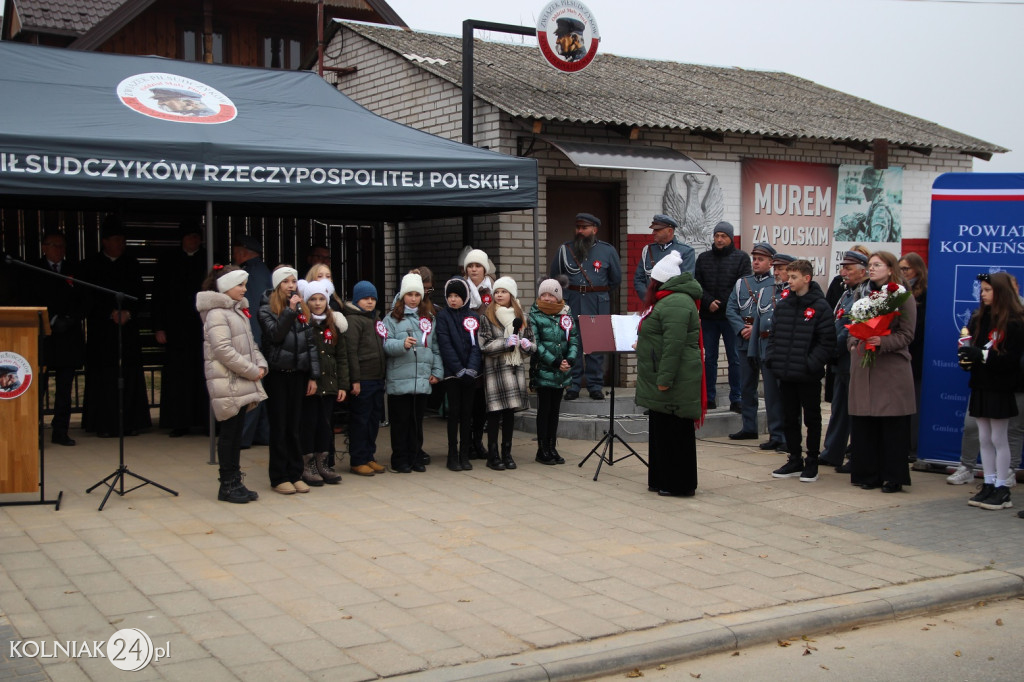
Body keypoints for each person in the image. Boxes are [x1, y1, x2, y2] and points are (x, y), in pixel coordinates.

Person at [196, 265, 267, 504]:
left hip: (240, 379)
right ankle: (227, 484)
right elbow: (223, 350)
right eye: (240, 285)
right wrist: (251, 370)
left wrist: (261, 364)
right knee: (228, 435)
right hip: (227, 381)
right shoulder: (217, 313)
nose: (245, 290)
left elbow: (250, 344)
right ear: (226, 286)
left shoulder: (236, 311)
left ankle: (236, 480)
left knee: (236, 434)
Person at [634, 250, 703, 497]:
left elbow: (673, 347)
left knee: (675, 432)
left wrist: (664, 380)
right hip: (665, 375)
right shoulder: (669, 300)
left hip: (673, 378)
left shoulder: (675, 302)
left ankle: (678, 483)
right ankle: (661, 478)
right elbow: (662, 338)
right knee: (662, 431)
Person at [847, 251, 916, 493]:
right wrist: (854, 342)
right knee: (866, 424)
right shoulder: (862, 294)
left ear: (890, 268)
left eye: (877, 264)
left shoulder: (901, 295)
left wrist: (881, 341)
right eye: (870, 265)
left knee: (891, 425)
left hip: (890, 369)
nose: (872, 268)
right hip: (864, 367)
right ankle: (869, 473)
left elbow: (907, 335)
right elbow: (852, 326)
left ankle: (893, 476)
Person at [78, 215, 151, 437]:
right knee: (103, 376)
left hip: (127, 329)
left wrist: (129, 312)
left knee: (128, 373)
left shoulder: (131, 263)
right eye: (117, 239)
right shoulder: (90, 265)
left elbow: (140, 295)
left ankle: (130, 422)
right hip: (102, 331)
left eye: (123, 240)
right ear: (105, 242)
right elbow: (85, 298)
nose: (121, 244)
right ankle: (102, 424)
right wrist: (108, 313)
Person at [765, 260, 836, 482]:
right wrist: (773, 359)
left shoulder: (820, 306)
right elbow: (774, 335)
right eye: (789, 276)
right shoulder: (785, 304)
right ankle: (794, 458)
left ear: (807, 278)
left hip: (807, 375)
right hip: (786, 372)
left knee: (812, 418)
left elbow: (827, 342)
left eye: (794, 277)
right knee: (789, 417)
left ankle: (812, 460)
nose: (789, 280)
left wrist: (810, 364)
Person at [957, 272, 1024, 511]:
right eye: (982, 290)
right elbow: (972, 346)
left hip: (1001, 386)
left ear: (1001, 292)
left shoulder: (1015, 321)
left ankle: (1002, 489)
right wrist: (967, 357)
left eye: (987, 290)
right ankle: (988, 482)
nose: (982, 294)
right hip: (981, 383)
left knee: (999, 437)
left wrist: (981, 355)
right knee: (983, 437)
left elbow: (1010, 359)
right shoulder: (979, 318)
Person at [259, 265, 320, 495]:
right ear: (277, 285)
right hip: (278, 376)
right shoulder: (266, 309)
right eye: (286, 282)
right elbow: (275, 335)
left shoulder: (301, 310)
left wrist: (313, 375)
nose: (291, 286)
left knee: (295, 426)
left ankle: (295, 474)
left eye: (294, 281)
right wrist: (289, 312)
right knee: (280, 427)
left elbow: (310, 344)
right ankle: (279, 476)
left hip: (299, 375)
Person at [549, 212, 621, 400]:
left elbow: (615, 280)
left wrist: (597, 293)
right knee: (573, 346)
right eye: (578, 227)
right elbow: (554, 277)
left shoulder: (608, 250)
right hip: (572, 302)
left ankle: (595, 386)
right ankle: (572, 385)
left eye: (584, 228)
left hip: (597, 303)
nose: (580, 231)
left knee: (595, 347)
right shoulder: (565, 250)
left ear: (594, 230)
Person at [26, 231, 85, 446]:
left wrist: (69, 319)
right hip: (43, 337)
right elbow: (29, 299)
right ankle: (34, 431)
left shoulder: (73, 270)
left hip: (68, 336)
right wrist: (51, 320)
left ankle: (61, 430)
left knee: (64, 388)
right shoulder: (33, 269)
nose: (59, 250)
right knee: (39, 387)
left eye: (62, 246)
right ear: (44, 247)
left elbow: (83, 299)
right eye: (54, 245)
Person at [152, 220, 208, 437]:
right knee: (179, 376)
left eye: (197, 236)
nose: (194, 240)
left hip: (202, 328)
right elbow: (158, 295)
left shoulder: (208, 258)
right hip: (176, 329)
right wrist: (159, 327)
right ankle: (179, 422)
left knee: (204, 374)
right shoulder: (168, 260)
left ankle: (205, 421)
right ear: (182, 239)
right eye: (190, 236)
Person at [819, 250, 872, 473]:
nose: (844, 272)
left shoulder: (865, 294)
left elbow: (852, 327)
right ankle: (833, 452)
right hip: (839, 360)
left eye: (849, 268)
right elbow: (837, 321)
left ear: (863, 270)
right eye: (843, 267)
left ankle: (856, 455)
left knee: (855, 411)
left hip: (851, 358)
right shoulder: (847, 293)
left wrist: (831, 348)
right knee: (839, 408)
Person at [383, 273, 442, 473]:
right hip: (400, 379)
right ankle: (399, 459)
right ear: (402, 295)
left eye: (417, 294)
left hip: (421, 379)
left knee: (417, 422)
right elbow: (385, 344)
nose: (414, 298)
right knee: (400, 422)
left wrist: (437, 371)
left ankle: (415, 456)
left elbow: (435, 347)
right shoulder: (391, 318)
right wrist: (402, 344)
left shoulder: (429, 318)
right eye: (410, 294)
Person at [478, 276, 536, 470]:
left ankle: (507, 453)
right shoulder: (487, 316)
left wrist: (527, 346)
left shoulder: (522, 317)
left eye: (503, 291)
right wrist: (505, 343)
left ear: (512, 294)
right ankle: (492, 455)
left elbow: (530, 343)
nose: (499, 295)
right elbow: (484, 344)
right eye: (496, 292)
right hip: (496, 371)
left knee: (510, 414)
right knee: (495, 413)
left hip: (514, 370)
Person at [694, 221, 752, 411]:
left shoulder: (742, 258)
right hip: (709, 316)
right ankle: (709, 397)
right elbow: (697, 284)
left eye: (723, 236)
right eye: (717, 235)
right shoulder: (703, 258)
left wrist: (724, 305)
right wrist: (708, 301)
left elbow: (742, 285)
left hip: (731, 318)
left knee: (734, 357)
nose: (719, 239)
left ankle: (736, 398)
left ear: (730, 238)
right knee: (709, 357)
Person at [298, 278, 348, 487]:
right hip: (312, 387)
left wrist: (343, 384)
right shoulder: (304, 324)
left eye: (321, 299)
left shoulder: (332, 325)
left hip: (330, 385)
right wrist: (311, 378)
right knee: (309, 424)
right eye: (313, 299)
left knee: (325, 426)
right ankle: (306, 465)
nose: (318, 303)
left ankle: (322, 463)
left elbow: (341, 356)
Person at [725, 242, 776, 440]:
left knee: (770, 390)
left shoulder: (774, 284)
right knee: (746, 386)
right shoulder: (742, 283)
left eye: (760, 259)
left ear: (770, 262)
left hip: (764, 342)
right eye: (754, 259)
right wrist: (741, 329)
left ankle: (775, 431)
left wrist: (755, 329)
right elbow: (731, 309)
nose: (756, 262)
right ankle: (749, 426)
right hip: (744, 342)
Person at [529, 276, 581, 465]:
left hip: (562, 370)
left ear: (558, 297)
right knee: (544, 409)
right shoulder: (534, 314)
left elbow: (573, 338)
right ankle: (542, 449)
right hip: (544, 369)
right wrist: (555, 361)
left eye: (551, 294)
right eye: (543, 294)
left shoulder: (566, 313)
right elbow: (536, 343)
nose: (547, 298)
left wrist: (571, 359)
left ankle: (552, 447)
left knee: (555, 410)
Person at [435, 278, 482, 472]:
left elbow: (477, 346)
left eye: (457, 296)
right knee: (454, 413)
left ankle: (465, 453)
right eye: (450, 296)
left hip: (471, 375)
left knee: (467, 413)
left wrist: (471, 369)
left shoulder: (473, 317)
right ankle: (452, 454)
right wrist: (458, 369)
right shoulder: (443, 317)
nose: (453, 300)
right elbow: (445, 345)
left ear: (465, 298)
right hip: (453, 375)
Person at [749, 253, 795, 452]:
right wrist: (753, 350)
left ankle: (789, 437)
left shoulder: (795, 292)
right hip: (766, 347)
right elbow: (758, 321)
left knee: (787, 396)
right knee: (771, 395)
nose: (776, 272)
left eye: (781, 269)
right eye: (775, 268)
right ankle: (776, 434)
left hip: (785, 351)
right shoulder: (766, 291)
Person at [343, 281, 387, 476]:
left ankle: (369, 456)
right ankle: (358, 459)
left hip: (377, 377)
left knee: (373, 420)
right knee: (360, 421)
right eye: (365, 299)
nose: (369, 302)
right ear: (357, 299)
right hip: (363, 379)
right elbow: (351, 352)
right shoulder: (353, 320)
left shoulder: (376, 319)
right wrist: (355, 380)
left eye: (372, 299)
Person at [233, 234, 272, 449]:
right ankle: (263, 433)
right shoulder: (260, 270)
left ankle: (244, 437)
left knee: (252, 388)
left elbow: (254, 311)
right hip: (261, 339)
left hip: (255, 339)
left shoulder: (253, 274)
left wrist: (252, 342)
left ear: (243, 252)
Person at [463, 249, 495, 458]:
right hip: (467, 350)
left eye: (477, 266)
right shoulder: (460, 287)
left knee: (483, 402)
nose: (474, 269)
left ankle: (478, 441)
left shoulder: (494, 289)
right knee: (468, 400)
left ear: (485, 268)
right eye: (470, 266)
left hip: (488, 351)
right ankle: (466, 444)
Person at [900, 252, 928, 462]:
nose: (902, 273)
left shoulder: (923, 293)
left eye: (906, 269)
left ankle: (912, 446)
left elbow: (918, 328)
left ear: (918, 270)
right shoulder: (899, 291)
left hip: (916, 355)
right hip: (901, 355)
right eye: (899, 269)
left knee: (915, 404)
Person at [633, 214, 696, 302]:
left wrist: (664, 300)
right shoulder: (648, 250)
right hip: (650, 304)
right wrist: (648, 298)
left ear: (670, 231)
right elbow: (639, 279)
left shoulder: (686, 251)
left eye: (657, 230)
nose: (653, 233)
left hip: (672, 304)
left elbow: (685, 282)